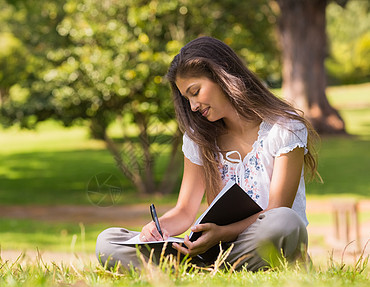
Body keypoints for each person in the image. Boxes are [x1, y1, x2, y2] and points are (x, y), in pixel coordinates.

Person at [96, 36, 320, 271]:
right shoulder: (199, 137)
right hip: (212, 250)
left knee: (285, 222)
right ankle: (210, 267)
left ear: (222, 76)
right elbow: (184, 211)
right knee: (108, 242)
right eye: (187, 99)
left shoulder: (284, 128)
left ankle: (203, 269)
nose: (193, 106)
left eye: (195, 92)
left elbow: (276, 209)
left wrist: (222, 233)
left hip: (258, 241)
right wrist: (159, 228)